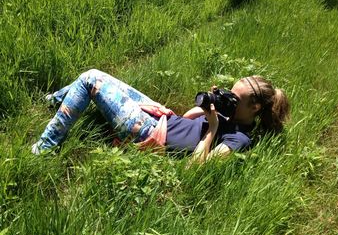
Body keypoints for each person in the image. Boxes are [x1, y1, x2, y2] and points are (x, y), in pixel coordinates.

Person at [31, 69, 290, 163]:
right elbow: (187, 119)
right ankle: (55, 101)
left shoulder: (239, 139)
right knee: (99, 75)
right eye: (229, 94)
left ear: (255, 108)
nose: (230, 100)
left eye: (236, 98)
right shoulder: (227, 116)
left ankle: (44, 148)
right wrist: (211, 106)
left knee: (90, 79)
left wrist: (212, 129)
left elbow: (196, 168)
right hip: (160, 116)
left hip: (149, 133)